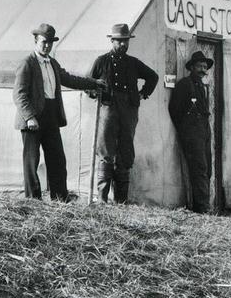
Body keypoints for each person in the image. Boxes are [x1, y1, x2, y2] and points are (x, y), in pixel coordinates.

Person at [13, 23, 105, 201]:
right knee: (31, 162)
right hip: (32, 119)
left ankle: (60, 199)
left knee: (57, 160)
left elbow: (69, 79)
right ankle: (33, 200)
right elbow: (19, 94)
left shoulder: (53, 63)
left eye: (50, 42)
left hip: (51, 116)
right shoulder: (27, 64)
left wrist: (94, 83)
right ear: (35, 41)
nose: (46, 45)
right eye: (43, 42)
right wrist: (30, 117)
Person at [88, 23, 159, 204]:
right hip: (108, 109)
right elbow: (88, 82)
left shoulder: (133, 63)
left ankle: (121, 201)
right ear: (112, 41)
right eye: (119, 41)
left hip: (129, 110)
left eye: (125, 41)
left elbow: (153, 76)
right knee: (105, 150)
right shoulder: (101, 61)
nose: (122, 45)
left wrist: (144, 93)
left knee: (126, 151)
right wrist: (93, 92)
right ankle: (103, 199)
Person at [169, 51, 215, 213]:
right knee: (199, 168)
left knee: (207, 167)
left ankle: (201, 205)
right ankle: (202, 208)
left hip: (204, 130)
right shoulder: (184, 85)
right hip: (192, 133)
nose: (203, 69)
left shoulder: (203, 86)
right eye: (199, 66)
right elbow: (174, 110)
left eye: (204, 67)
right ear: (192, 68)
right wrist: (185, 129)